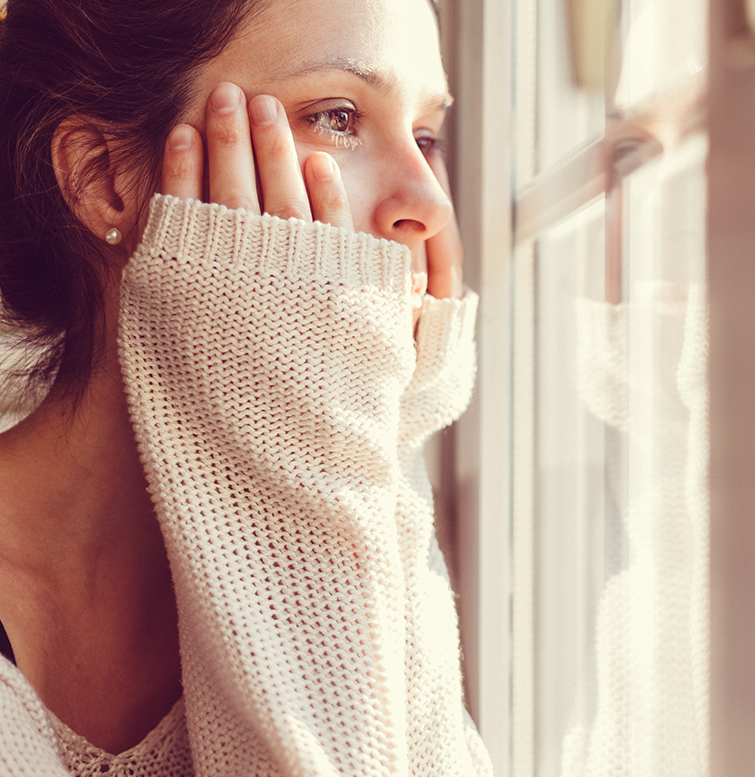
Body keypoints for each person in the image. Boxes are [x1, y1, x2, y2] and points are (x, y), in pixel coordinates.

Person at [0, 0, 492, 773]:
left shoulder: (358, 511)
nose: (429, 205)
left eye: (426, 137)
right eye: (336, 116)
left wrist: (371, 443)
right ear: (103, 179)